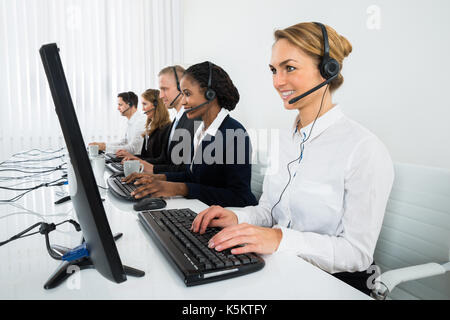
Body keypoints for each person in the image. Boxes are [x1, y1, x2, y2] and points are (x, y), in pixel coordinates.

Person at [190, 22, 394, 295]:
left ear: (327, 70)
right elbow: (268, 211)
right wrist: (235, 217)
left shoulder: (364, 148)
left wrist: (277, 238)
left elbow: (356, 253)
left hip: (332, 283)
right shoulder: (284, 141)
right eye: (274, 70)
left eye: (290, 68)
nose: (277, 82)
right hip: (279, 268)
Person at [123, 61, 258, 208]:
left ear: (210, 94)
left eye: (187, 94)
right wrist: (154, 177)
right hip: (200, 210)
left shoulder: (234, 134)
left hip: (226, 220)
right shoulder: (201, 130)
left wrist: (179, 188)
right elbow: (192, 176)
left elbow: (241, 197)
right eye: (182, 94)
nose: (183, 101)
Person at [116, 89, 171, 166]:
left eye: (145, 104)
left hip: (154, 173)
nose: (143, 109)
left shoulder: (166, 128)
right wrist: (131, 157)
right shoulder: (149, 127)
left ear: (156, 105)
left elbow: (162, 161)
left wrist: (136, 159)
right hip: (145, 171)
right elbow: (145, 156)